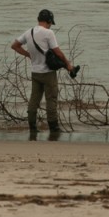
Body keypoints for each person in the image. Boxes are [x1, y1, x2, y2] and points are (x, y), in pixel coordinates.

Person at [11, 9, 74, 138]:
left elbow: (15, 45)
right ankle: (54, 129)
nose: (51, 24)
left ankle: (32, 128)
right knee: (51, 100)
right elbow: (58, 52)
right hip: (48, 73)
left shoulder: (29, 32)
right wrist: (68, 64)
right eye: (51, 22)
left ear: (38, 19)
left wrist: (28, 55)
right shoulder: (48, 33)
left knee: (34, 100)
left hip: (35, 72)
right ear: (49, 21)